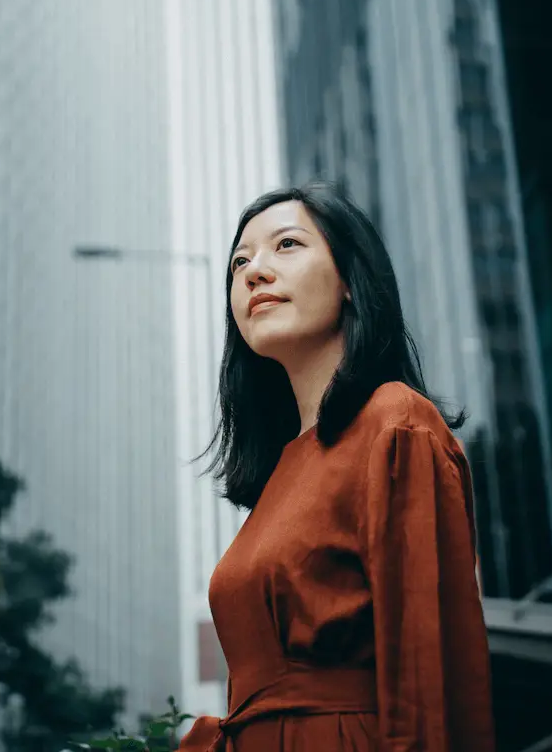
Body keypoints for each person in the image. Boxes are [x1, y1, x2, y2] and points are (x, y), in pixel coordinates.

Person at [180, 183, 495, 752]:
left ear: (350, 281)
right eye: (240, 263)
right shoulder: (279, 475)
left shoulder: (395, 423)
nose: (254, 272)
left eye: (287, 245)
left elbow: (429, 674)